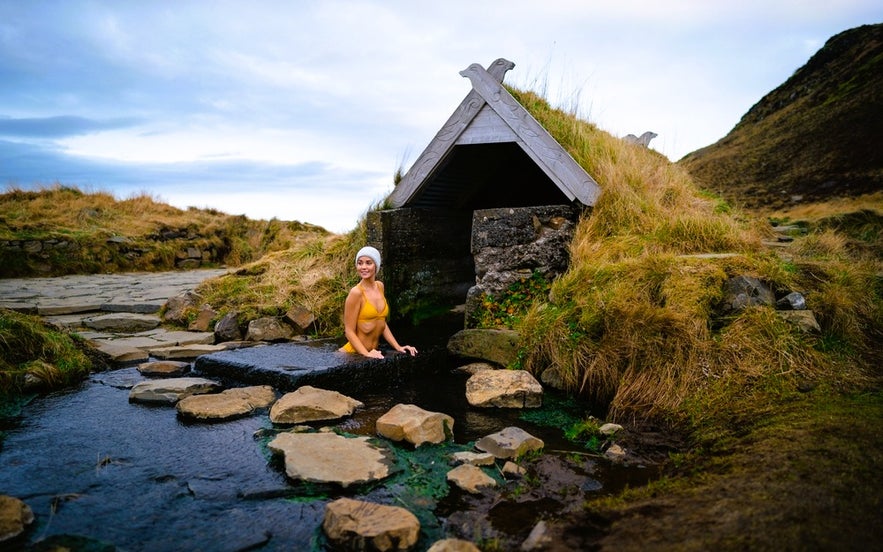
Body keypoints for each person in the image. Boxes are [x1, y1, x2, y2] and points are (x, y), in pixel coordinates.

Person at [339, 246, 418, 359]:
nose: (363, 267)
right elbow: (349, 331)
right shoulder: (356, 293)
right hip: (352, 353)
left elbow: (381, 322)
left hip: (373, 352)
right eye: (360, 263)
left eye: (368, 263)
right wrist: (366, 354)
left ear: (376, 265)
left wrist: (398, 347)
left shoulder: (380, 286)